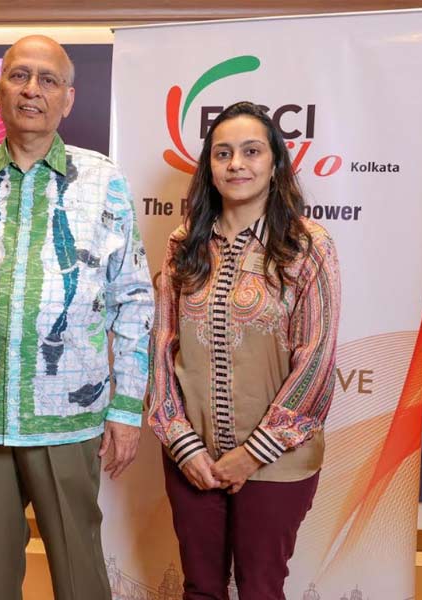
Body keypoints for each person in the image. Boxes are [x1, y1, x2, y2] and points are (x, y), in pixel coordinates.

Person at [0, 35, 154, 600]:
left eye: (48, 80)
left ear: (68, 99)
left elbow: (133, 298)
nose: (32, 90)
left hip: (67, 416)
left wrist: (126, 407)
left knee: (79, 572)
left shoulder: (103, 180)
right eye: (19, 76)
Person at [149, 101, 341, 599]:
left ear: (275, 163)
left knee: (260, 589)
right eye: (223, 153)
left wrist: (252, 455)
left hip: (277, 459)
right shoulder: (183, 243)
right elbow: (161, 349)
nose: (236, 164)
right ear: (209, 167)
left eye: (251, 151)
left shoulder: (307, 245)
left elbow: (317, 361)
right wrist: (182, 443)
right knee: (200, 588)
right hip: (192, 456)